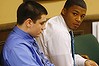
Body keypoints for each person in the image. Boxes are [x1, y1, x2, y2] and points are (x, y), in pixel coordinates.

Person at [36, 0, 98, 66]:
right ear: (64, 11)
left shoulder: (57, 23)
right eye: (75, 14)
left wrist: (83, 61)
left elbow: (65, 56)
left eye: (82, 16)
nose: (79, 19)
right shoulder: (59, 32)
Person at [2, 1, 54, 66]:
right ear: (29, 22)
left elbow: (45, 63)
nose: (44, 27)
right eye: (41, 23)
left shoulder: (28, 38)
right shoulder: (17, 48)